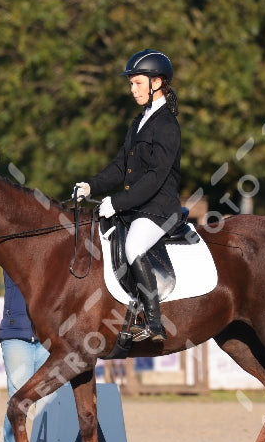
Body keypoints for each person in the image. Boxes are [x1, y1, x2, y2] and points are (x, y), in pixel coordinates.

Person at [74, 49, 183, 342]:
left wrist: (118, 202)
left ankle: (154, 324)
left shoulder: (167, 125)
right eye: (131, 83)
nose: (131, 89)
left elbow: (156, 177)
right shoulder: (139, 122)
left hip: (160, 208)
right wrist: (91, 187)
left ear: (156, 83)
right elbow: (120, 166)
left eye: (136, 83)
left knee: (134, 246)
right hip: (137, 207)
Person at [0, 270, 49, 442]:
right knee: (18, 398)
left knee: (49, 401)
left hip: (48, 333)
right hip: (16, 334)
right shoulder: (11, 248)